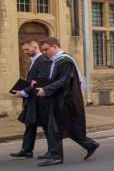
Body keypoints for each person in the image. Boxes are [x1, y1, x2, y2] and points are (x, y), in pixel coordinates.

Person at [37, 37, 100, 166]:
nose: (44, 53)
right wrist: (40, 85)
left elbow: (63, 81)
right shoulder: (58, 61)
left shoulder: (65, 61)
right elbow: (55, 79)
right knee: (69, 127)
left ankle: (56, 156)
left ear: (55, 46)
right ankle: (90, 144)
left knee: (54, 127)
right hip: (61, 98)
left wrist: (46, 90)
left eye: (46, 49)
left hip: (66, 99)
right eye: (43, 50)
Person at [9, 40, 51, 159]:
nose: (25, 52)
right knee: (30, 124)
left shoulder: (42, 60)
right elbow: (32, 81)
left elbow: (40, 81)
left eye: (27, 49)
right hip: (33, 100)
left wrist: (23, 92)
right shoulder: (35, 61)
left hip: (40, 101)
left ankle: (53, 150)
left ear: (35, 47)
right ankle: (27, 150)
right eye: (23, 50)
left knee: (46, 126)